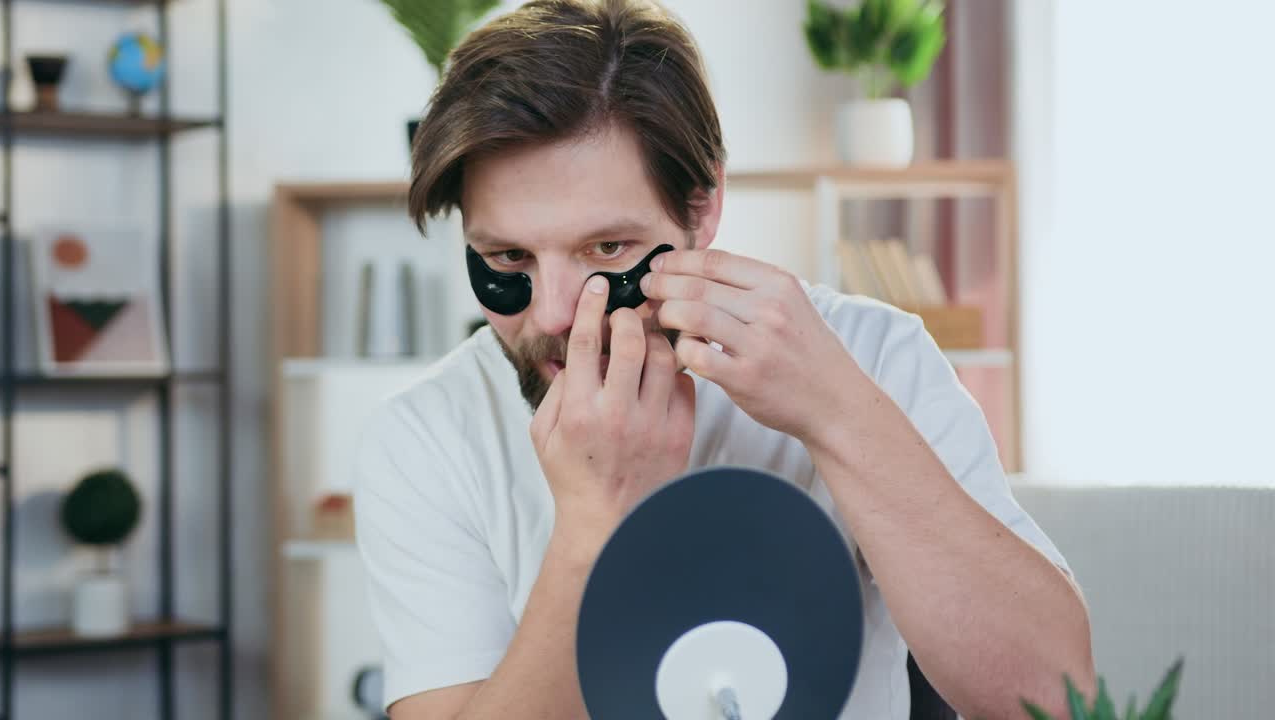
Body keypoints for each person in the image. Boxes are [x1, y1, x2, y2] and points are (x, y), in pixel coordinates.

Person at [352, 1, 1095, 718]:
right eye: (507, 257)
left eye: (606, 248)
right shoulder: (425, 437)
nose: (552, 313)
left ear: (703, 207)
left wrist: (836, 412)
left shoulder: (873, 356)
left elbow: (1055, 701)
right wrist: (593, 524)